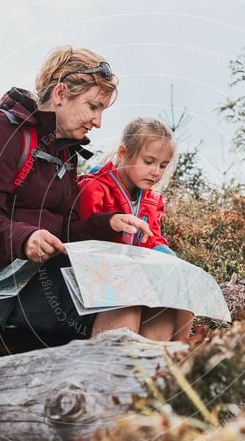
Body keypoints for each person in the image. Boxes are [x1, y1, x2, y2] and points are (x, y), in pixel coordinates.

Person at [0, 46, 153, 343]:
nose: (98, 122)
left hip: (44, 272)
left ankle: (153, 388)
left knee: (161, 302)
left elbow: (65, 231)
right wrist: (26, 238)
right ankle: (108, 385)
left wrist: (107, 223)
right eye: (93, 107)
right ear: (60, 94)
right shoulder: (1, 133)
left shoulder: (64, 151)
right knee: (122, 296)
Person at [76, 117, 194, 342]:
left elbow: (154, 240)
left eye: (162, 165)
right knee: (139, 298)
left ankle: (170, 363)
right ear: (123, 153)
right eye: (149, 161)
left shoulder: (153, 200)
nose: (156, 172)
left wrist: (167, 257)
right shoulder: (93, 188)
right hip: (103, 280)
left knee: (181, 300)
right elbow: (82, 237)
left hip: (140, 280)